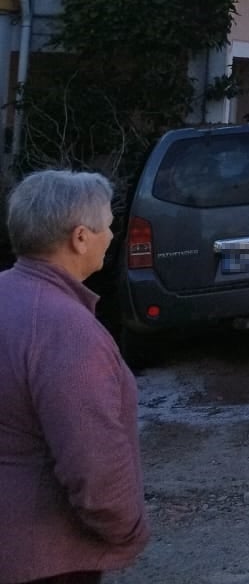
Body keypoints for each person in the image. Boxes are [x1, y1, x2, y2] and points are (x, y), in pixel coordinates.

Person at [1, 170, 150, 584]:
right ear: (80, 237)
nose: (112, 234)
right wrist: (128, 528)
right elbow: (94, 462)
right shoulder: (67, 330)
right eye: (107, 224)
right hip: (45, 560)